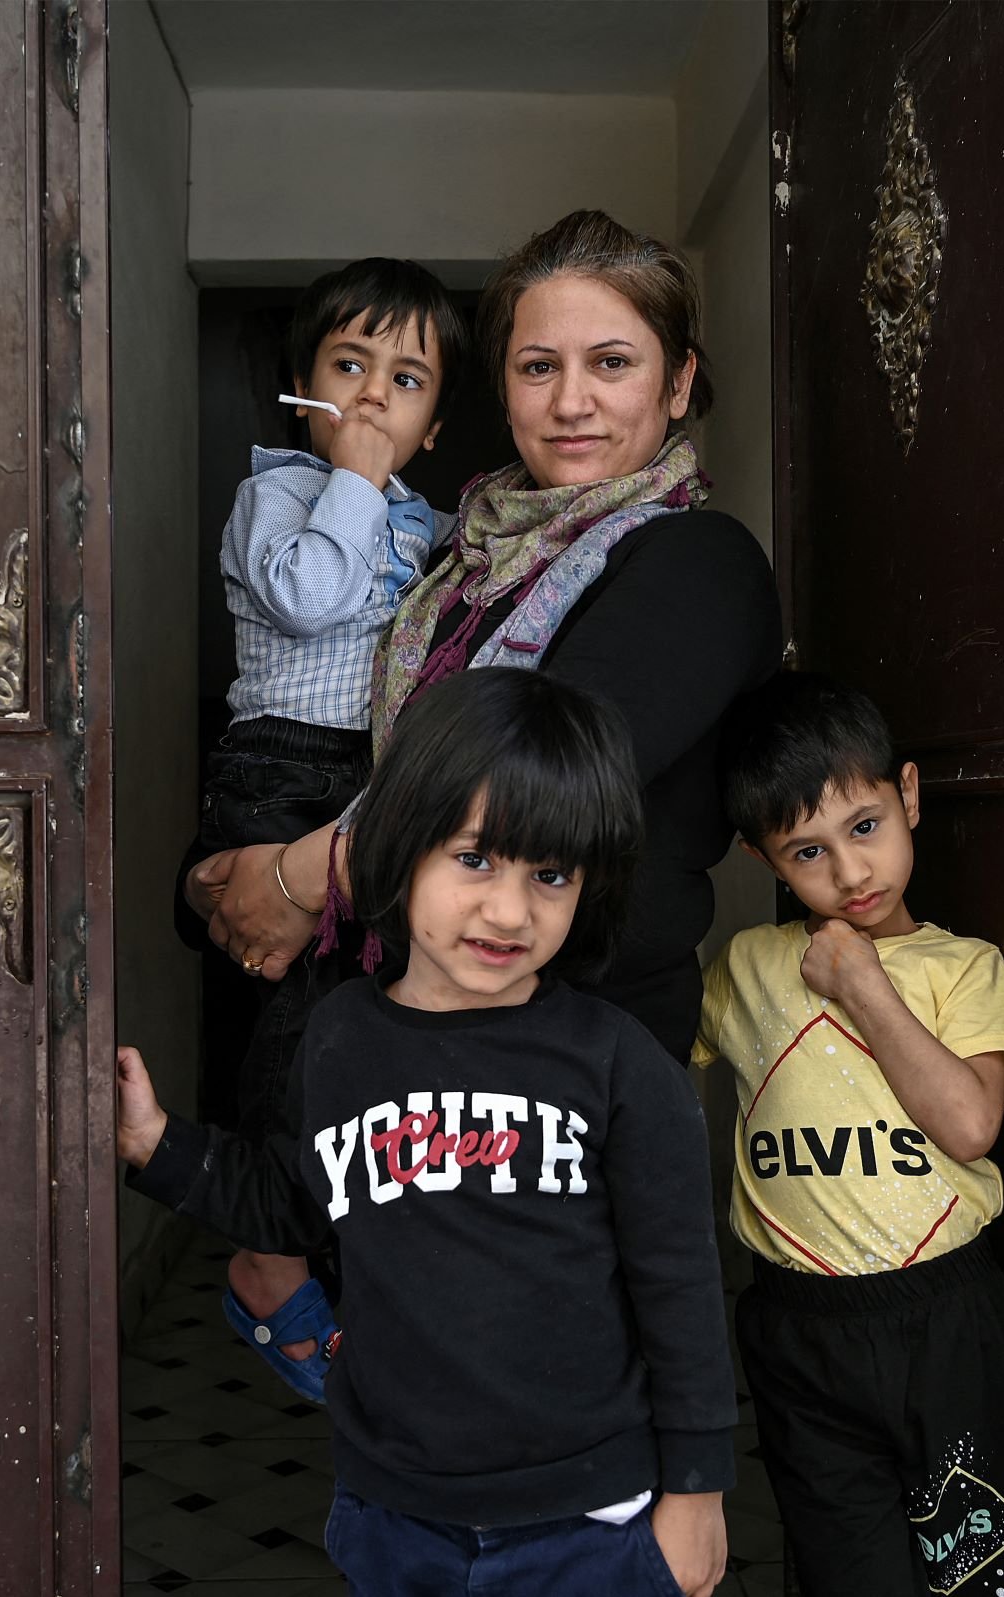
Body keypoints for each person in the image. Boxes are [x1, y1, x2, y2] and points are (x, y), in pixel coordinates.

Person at [183, 210, 783, 1399]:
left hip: (572, 1064)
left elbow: (526, 783)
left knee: (548, 1418)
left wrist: (301, 878)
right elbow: (353, 755)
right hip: (412, 1048)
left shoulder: (695, 563)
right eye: (536, 364)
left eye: (611, 364)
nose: (571, 401)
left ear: (678, 387)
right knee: (421, 1434)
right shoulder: (454, 556)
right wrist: (226, 876)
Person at [122, 669, 736, 1597]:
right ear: (401, 845)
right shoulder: (340, 1039)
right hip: (395, 1510)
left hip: (590, 1519)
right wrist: (159, 1145)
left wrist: (697, 1490)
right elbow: (293, 1202)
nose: (508, 910)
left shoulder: (615, 1065)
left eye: (551, 874)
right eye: (476, 858)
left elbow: (682, 1287)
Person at [695, 672, 1004, 1596]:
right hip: (800, 1328)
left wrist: (866, 984)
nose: (850, 873)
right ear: (765, 861)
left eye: (864, 827)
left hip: (945, 1322)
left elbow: (970, 1123)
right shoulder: (746, 968)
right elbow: (644, 1069)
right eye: (807, 851)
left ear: (910, 797)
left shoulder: (963, 968)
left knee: (976, 1578)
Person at [199, 257, 465, 873]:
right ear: (302, 387)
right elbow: (308, 601)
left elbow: (490, 553)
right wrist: (355, 479)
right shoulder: (272, 495)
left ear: (432, 428)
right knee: (271, 929)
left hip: (377, 763)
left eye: (407, 381)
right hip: (280, 758)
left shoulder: (421, 517)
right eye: (349, 366)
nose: (372, 393)